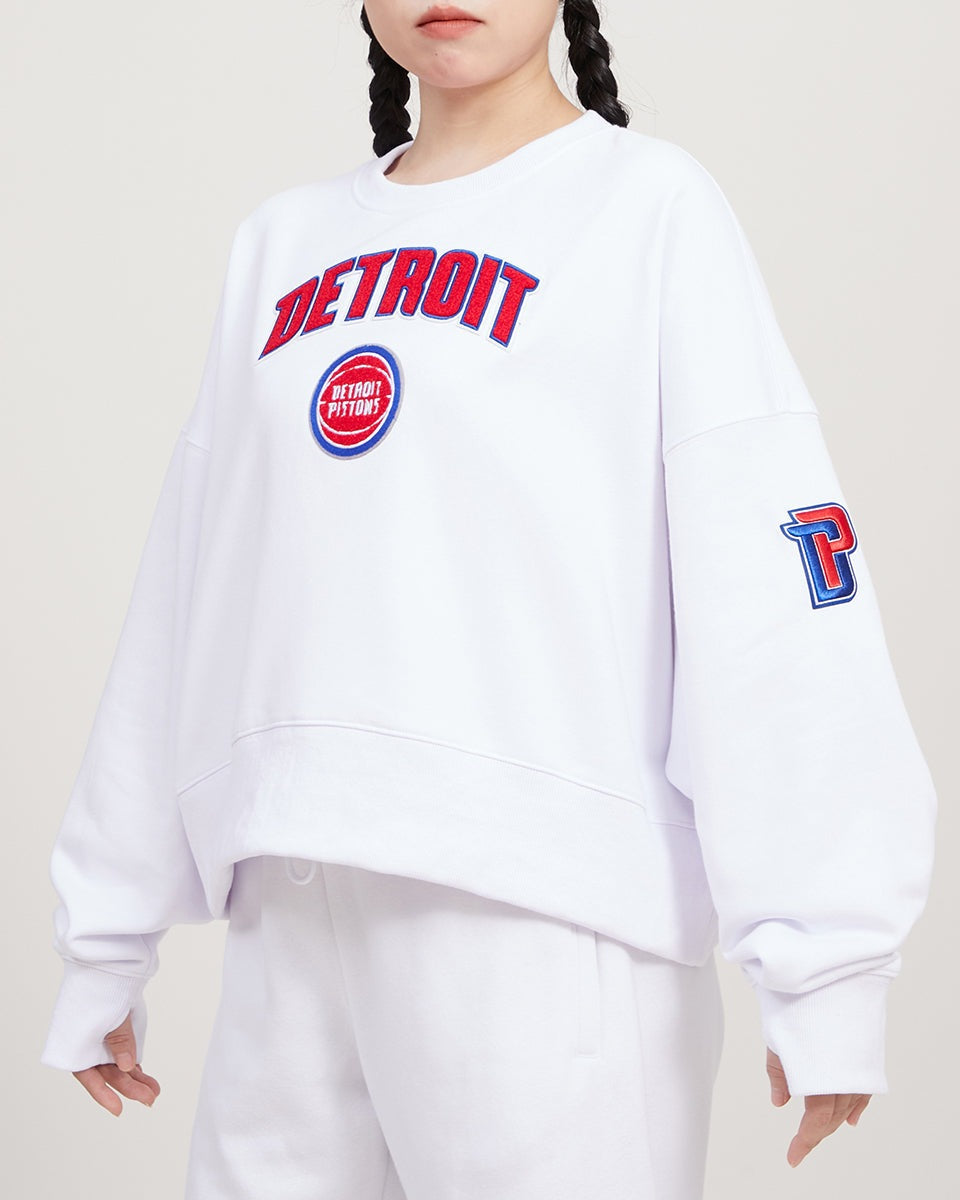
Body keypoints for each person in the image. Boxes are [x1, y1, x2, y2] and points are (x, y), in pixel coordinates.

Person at [40, 2, 937, 1197]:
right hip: (292, 905)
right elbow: (193, 587)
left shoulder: (647, 210)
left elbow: (767, 572)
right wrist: (108, 930)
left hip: (542, 915)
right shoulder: (282, 242)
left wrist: (826, 961)